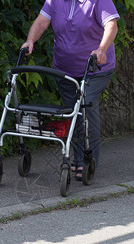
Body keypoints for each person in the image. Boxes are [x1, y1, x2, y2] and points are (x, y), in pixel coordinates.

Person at [21, 0, 119, 180]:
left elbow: (111, 25)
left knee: (85, 106)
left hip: (95, 69)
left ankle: (89, 161)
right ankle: (79, 159)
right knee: (72, 113)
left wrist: (102, 49)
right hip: (65, 71)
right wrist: (30, 40)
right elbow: (42, 21)